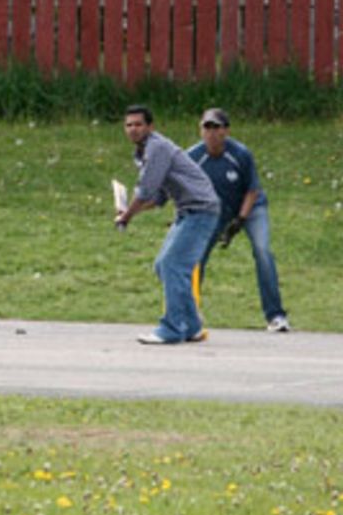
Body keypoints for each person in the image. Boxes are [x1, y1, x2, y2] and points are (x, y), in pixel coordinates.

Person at [114, 104, 220, 345]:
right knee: (164, 265)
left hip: (200, 210)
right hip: (187, 210)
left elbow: (146, 190)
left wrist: (127, 217)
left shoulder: (157, 147)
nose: (133, 129)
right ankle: (192, 326)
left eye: (138, 124)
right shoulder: (144, 152)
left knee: (174, 264)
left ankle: (172, 328)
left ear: (150, 127)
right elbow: (157, 197)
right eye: (128, 125)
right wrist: (128, 212)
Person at [186, 108, 289, 332]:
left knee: (263, 251)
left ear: (226, 131)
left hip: (251, 207)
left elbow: (252, 190)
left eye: (217, 127)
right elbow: (184, 189)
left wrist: (240, 221)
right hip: (215, 211)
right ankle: (189, 314)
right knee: (195, 255)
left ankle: (276, 315)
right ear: (200, 130)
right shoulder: (193, 157)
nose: (212, 133)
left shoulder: (240, 153)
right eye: (207, 127)